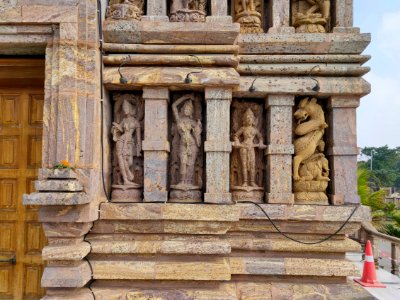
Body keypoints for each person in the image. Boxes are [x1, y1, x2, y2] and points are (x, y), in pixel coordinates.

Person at [172, 94, 202, 186]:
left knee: (190, 164)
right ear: (182, 110)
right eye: (185, 108)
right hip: (182, 144)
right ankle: (182, 181)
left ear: (191, 112)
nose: (187, 110)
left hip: (192, 144)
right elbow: (173, 106)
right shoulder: (179, 120)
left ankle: (188, 182)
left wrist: (198, 126)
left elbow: (197, 134)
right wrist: (185, 97)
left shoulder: (192, 122)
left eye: (189, 109)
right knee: (183, 162)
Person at [232, 108, 266, 187]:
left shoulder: (255, 129)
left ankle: (252, 182)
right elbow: (236, 136)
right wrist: (237, 141)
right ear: (244, 120)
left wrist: (260, 143)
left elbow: (260, 137)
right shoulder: (243, 128)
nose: (249, 119)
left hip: (252, 147)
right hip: (243, 147)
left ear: (253, 120)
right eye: (247, 118)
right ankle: (245, 182)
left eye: (250, 118)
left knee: (252, 165)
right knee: (244, 164)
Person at [111, 99, 141, 185]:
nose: (125, 109)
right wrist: (115, 127)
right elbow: (119, 129)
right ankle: (126, 180)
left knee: (129, 162)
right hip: (121, 141)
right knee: (122, 159)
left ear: (131, 108)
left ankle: (121, 177)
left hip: (130, 142)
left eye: (126, 107)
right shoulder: (123, 120)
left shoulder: (136, 122)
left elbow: (138, 137)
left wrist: (138, 148)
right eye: (124, 107)